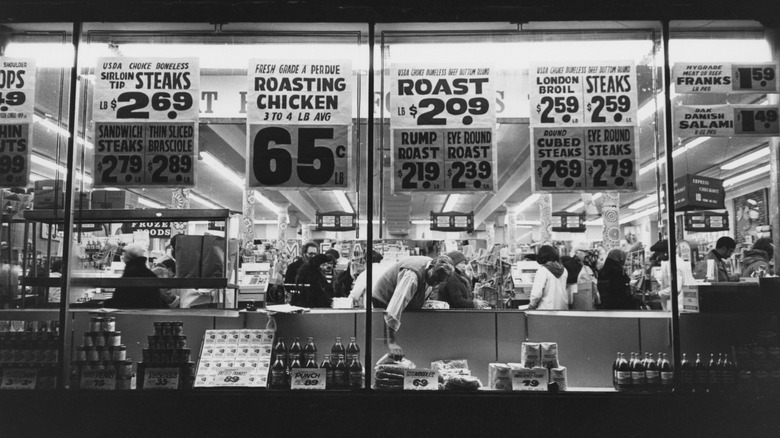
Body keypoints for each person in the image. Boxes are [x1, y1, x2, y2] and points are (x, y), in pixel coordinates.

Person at [372, 255, 455, 357]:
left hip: (397, 307)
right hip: (384, 302)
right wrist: (391, 343)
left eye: (439, 282)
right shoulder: (412, 275)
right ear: (431, 267)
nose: (435, 283)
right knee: (390, 346)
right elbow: (394, 308)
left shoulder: (433, 268)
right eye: (434, 278)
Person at [108, 243, 167, 309]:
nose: (123, 257)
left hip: (129, 315)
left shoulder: (129, 274)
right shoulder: (150, 274)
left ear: (127, 258)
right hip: (149, 315)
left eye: (124, 254)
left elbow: (120, 299)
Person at [528, 245, 570, 310]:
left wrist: (531, 305)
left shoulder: (543, 270)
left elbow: (536, 294)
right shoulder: (564, 270)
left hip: (546, 310)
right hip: (562, 309)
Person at [658, 243, 697, 312]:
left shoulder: (673, 264)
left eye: (659, 254)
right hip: (687, 303)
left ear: (666, 253)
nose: (658, 257)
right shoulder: (679, 262)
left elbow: (676, 288)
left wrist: (659, 294)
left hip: (680, 305)